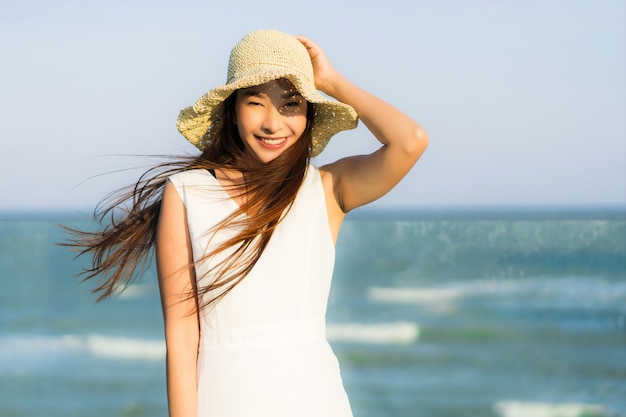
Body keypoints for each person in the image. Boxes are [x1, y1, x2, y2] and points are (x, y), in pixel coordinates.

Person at [66, 29, 428, 417]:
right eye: (256, 102)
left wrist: (330, 82)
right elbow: (183, 335)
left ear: (309, 111)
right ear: (232, 111)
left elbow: (410, 141)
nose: (273, 123)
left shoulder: (326, 189)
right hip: (223, 399)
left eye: (291, 104)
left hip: (314, 399)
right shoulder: (187, 193)